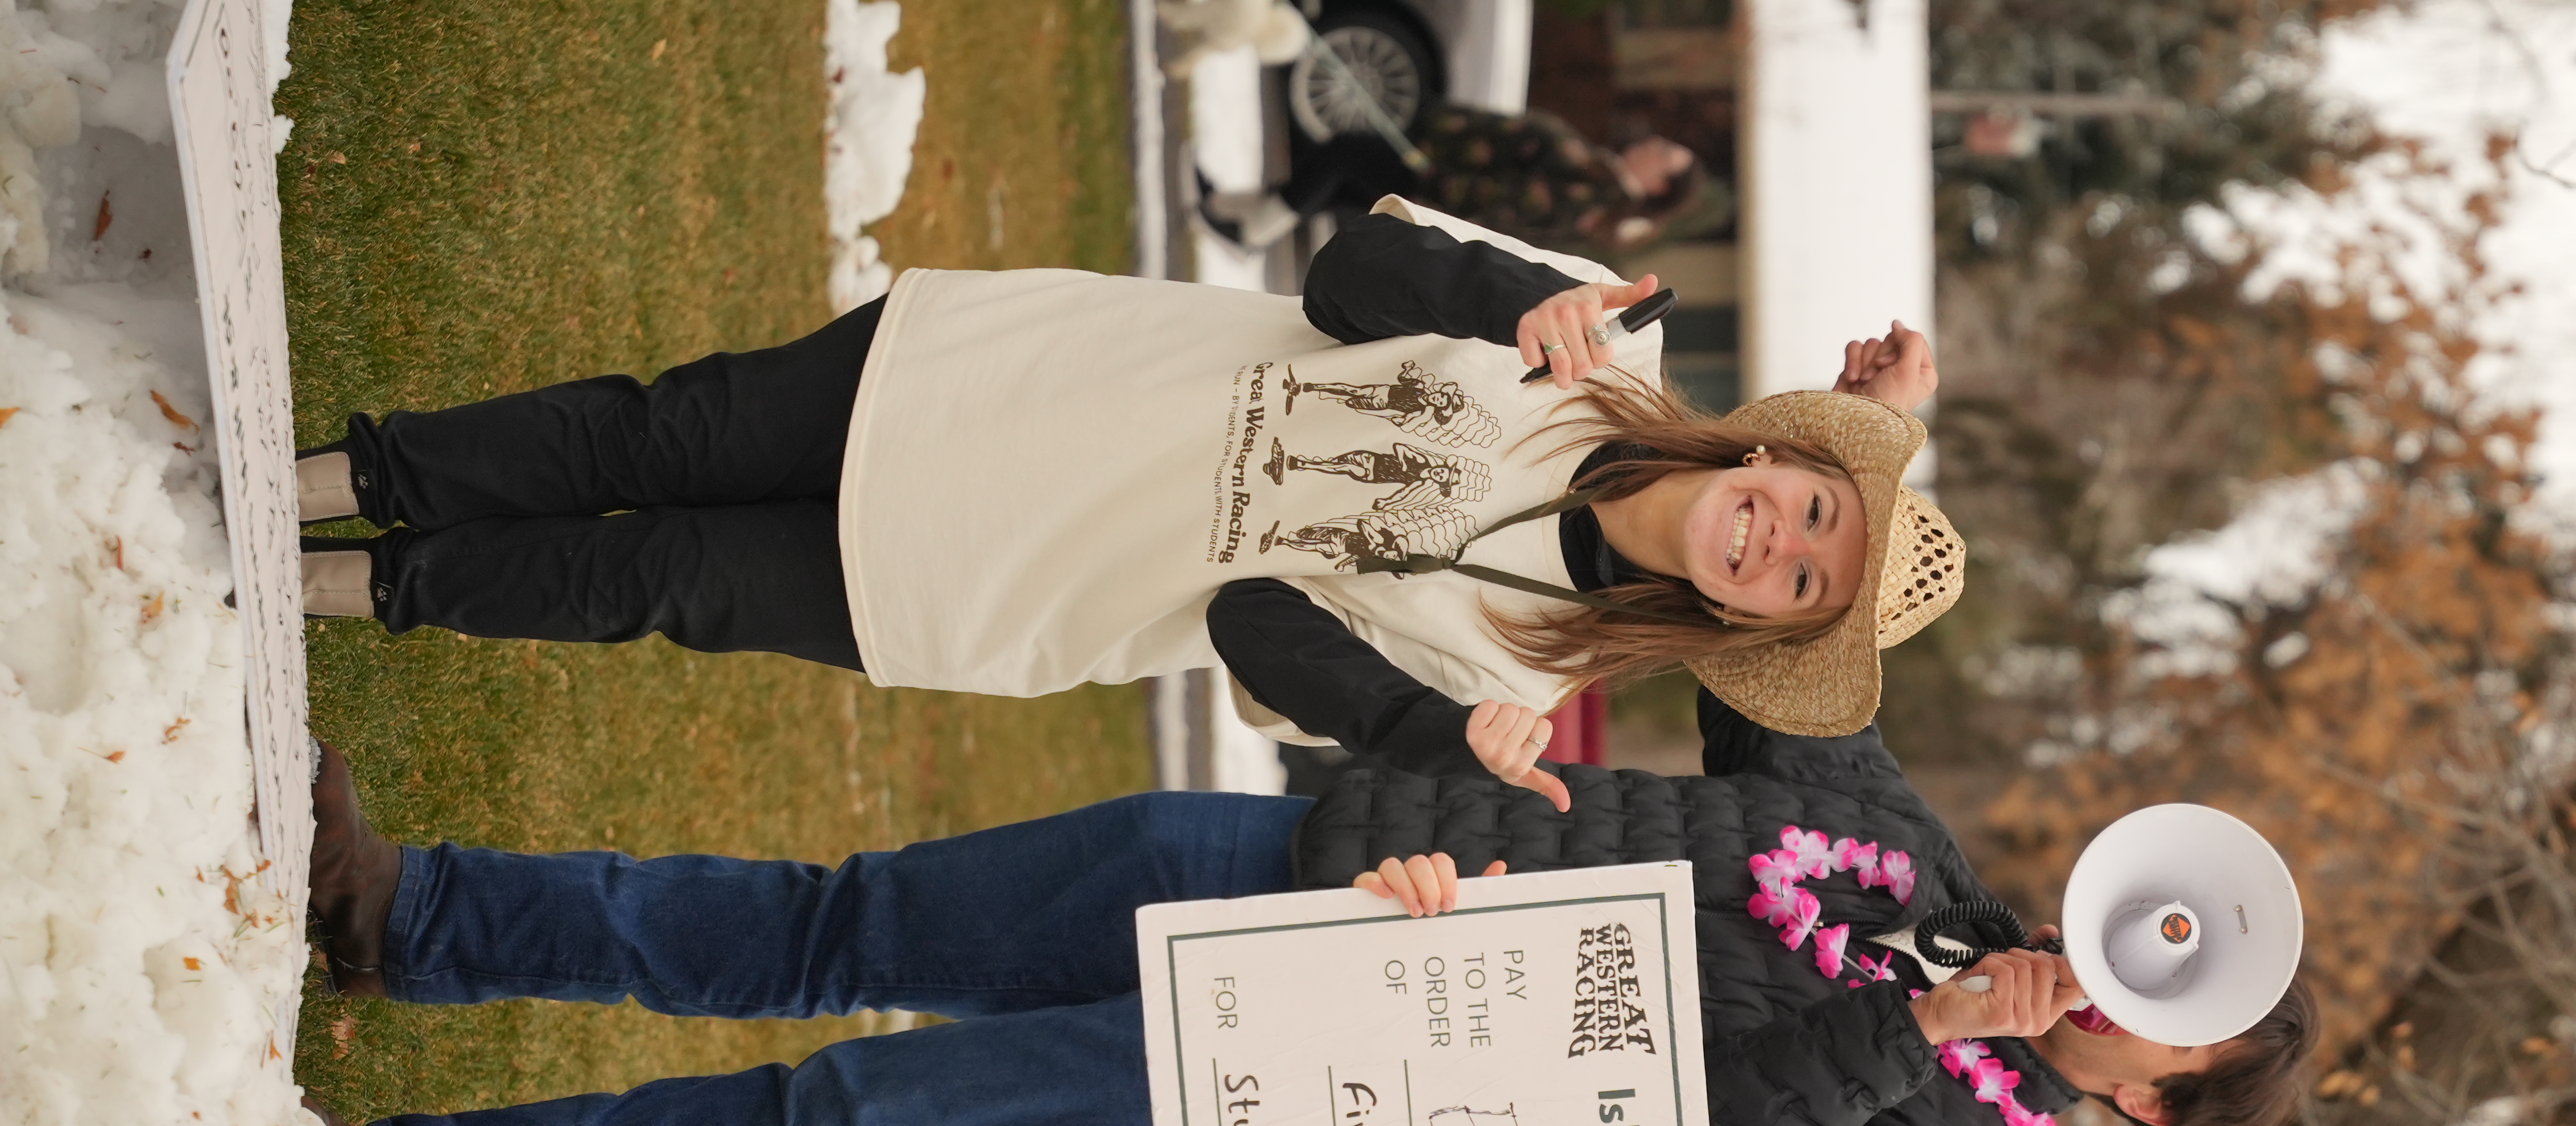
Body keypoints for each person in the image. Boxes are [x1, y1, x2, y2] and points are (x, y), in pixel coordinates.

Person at [294, 679, 2320, 1126]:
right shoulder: (1910, 847)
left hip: (1335, 1065)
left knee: (856, 1115)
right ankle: (413, 916)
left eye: (2173, 1012)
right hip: (1308, 860)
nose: (2123, 976)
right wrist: (1868, 447)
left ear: (2151, 1100)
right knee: (848, 921)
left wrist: (1915, 1026)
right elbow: (1783, 659)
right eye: (2164, 937)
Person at [292, 199, 1956, 743]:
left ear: (1751, 625)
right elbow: (1344, 273)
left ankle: (345, 584)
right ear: (1777, 450)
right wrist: (1499, 296)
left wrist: (1421, 731)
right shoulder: (1605, 339)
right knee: (656, 434)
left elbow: (1252, 626)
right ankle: (332, 477)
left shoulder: (1521, 672)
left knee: (646, 575)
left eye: (1804, 582)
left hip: (1002, 578)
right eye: (1813, 506)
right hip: (1007, 383)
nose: (1777, 542)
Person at [1204, 111, 1707, 255]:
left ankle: (1251, 229)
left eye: (1663, 154)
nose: (1652, 143)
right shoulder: (1601, 175)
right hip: (1434, 167)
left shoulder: (1596, 196)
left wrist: (1433, 176)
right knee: (1335, 179)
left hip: (1432, 187)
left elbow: (1507, 202)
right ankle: (1230, 209)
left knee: (1343, 156)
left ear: (1660, 187)